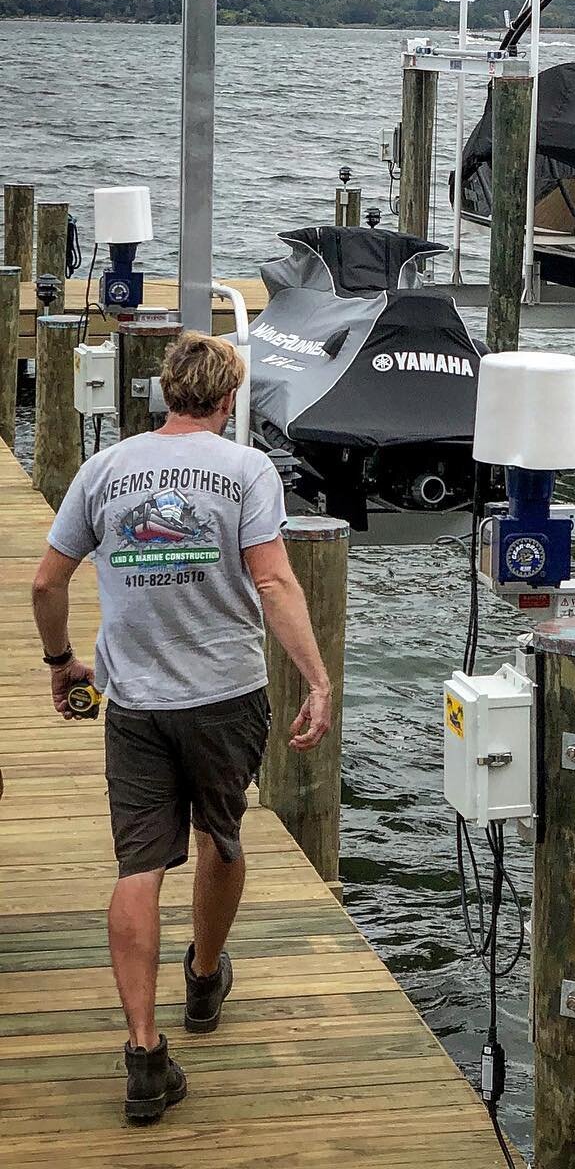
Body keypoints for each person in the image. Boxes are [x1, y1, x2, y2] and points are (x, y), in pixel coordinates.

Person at [31, 331, 333, 1125]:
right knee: (221, 836)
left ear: (164, 392)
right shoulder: (246, 470)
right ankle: (203, 979)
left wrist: (63, 661)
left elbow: (46, 579)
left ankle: (143, 1054)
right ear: (230, 399)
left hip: (134, 704)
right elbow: (272, 579)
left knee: (138, 868)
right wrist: (316, 678)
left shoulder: (104, 470)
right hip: (225, 696)